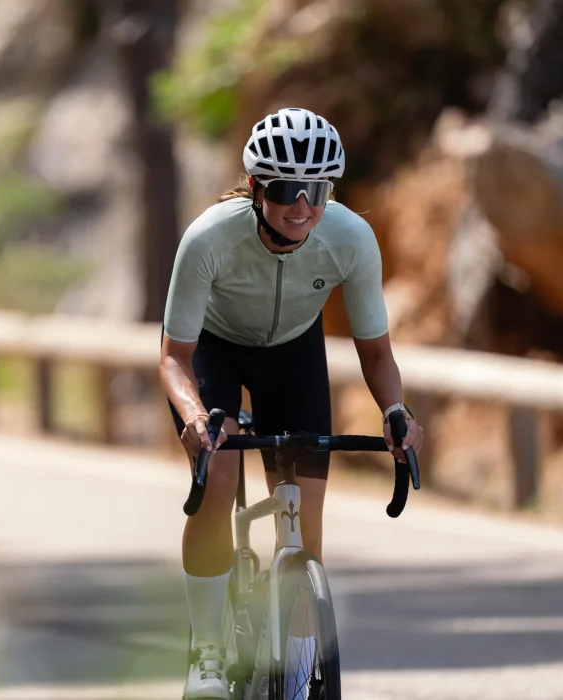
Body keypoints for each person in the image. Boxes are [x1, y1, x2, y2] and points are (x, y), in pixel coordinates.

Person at [160, 107, 425, 699]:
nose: (301, 206)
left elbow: (377, 353)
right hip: (213, 351)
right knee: (219, 480)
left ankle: (300, 675)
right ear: (257, 188)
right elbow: (174, 357)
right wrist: (197, 418)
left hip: (292, 353)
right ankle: (207, 651)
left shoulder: (351, 238)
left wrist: (396, 413)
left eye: (317, 191)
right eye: (286, 190)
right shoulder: (209, 237)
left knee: (306, 523)